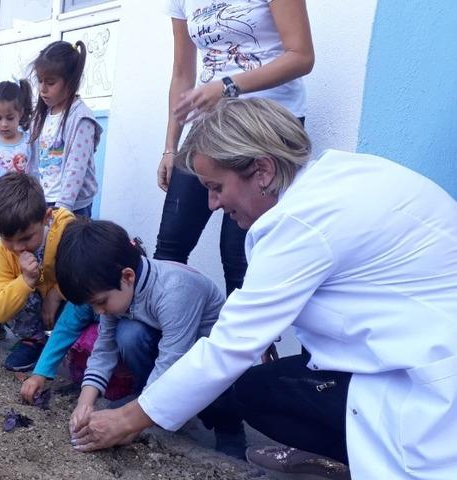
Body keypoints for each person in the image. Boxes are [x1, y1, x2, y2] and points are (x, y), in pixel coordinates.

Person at [70, 98, 457, 480]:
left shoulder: (301, 224)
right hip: (406, 351)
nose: (213, 202)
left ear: (263, 170)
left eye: (216, 186)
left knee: (254, 388)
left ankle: (352, 458)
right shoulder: (333, 180)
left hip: (428, 381)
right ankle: (340, 456)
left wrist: (126, 420)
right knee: (259, 390)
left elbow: (229, 347)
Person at [154, 0, 314, 295]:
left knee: (240, 258)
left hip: (265, 126)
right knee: (169, 249)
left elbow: (301, 56)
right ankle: (167, 340)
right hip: (211, 126)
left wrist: (228, 85)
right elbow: (181, 74)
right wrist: (170, 147)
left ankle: (252, 339)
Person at [52, 220, 246, 457]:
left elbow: (171, 361)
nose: (99, 311)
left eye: (100, 302)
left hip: (206, 354)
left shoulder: (174, 291)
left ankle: (229, 429)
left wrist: (130, 423)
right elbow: (105, 347)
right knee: (129, 335)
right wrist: (85, 402)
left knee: (217, 392)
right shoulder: (118, 292)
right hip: (168, 343)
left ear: (127, 276)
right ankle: (149, 400)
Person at [0, 173, 74, 372]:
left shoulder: (67, 230)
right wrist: (25, 281)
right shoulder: (2, 249)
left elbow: (85, 275)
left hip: (65, 304)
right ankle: (33, 340)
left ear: (46, 217)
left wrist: (58, 293)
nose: (17, 247)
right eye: (7, 238)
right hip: (33, 315)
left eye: (26, 238)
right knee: (13, 291)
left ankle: (69, 342)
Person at [30, 40, 103, 217]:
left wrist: (63, 209)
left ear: (71, 82)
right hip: (44, 201)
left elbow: (76, 167)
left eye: (50, 82)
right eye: (40, 81)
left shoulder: (81, 119)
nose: (42, 89)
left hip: (72, 206)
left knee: (69, 245)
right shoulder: (42, 116)